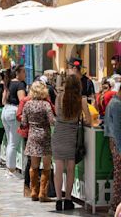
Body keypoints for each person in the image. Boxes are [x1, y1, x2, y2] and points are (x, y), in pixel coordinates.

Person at [52, 74, 91, 211]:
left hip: (58, 134)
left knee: (58, 169)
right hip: (71, 136)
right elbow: (89, 120)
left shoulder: (59, 98)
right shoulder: (81, 100)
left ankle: (58, 200)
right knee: (70, 169)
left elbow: (57, 114)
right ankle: (68, 199)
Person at [21, 81, 55, 202]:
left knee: (33, 166)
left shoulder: (27, 104)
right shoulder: (46, 105)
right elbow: (52, 121)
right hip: (45, 136)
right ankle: (43, 193)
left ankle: (34, 191)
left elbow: (23, 123)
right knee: (46, 166)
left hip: (33, 136)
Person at [1, 64, 27, 178]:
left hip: (6, 110)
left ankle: (9, 168)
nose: (25, 74)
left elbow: (3, 100)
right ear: (18, 73)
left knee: (9, 142)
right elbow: (22, 100)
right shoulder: (20, 84)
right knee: (13, 143)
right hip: (14, 112)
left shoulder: (9, 82)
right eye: (24, 72)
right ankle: (11, 170)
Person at [104, 85, 121, 214]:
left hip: (114, 142)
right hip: (117, 143)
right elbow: (117, 130)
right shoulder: (116, 104)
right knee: (118, 176)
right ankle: (115, 206)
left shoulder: (113, 103)